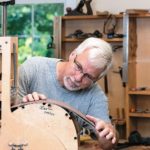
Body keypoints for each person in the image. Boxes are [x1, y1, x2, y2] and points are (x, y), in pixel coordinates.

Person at [18, 37, 118, 148]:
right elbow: (6, 120)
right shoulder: (33, 68)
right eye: (78, 67)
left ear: (97, 79)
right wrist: (24, 108)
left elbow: (109, 144)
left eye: (88, 76)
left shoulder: (95, 96)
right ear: (73, 54)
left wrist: (108, 134)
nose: (78, 78)